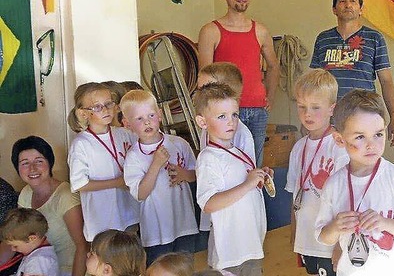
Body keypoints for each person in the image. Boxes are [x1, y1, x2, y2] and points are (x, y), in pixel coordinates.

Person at [315, 90, 394, 275]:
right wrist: (336, 227)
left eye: (378, 134)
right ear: (339, 139)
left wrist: (384, 223)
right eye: (360, 137)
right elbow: (323, 236)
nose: (372, 144)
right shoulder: (334, 184)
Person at [197, 0, 280, 167]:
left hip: (258, 109)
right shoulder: (210, 31)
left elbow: (274, 65)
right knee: (226, 164)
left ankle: (254, 197)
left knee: (254, 165)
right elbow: (205, 76)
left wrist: (271, 95)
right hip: (226, 111)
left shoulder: (260, 30)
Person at [193, 83, 272, 275]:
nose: (231, 122)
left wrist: (260, 177)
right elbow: (209, 203)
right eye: (222, 116)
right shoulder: (208, 157)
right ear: (202, 122)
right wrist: (247, 184)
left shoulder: (236, 152)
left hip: (251, 244)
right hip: (231, 251)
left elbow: (244, 186)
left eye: (234, 115)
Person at [310, 0, 394, 146]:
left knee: (362, 168)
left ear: (360, 9)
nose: (347, 4)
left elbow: (386, 81)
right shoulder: (323, 39)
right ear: (334, 9)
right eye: (342, 0)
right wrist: (311, 118)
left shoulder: (374, 38)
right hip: (329, 120)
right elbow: (314, 83)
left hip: (364, 117)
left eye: (353, 0)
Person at [121, 90, 198, 265]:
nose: (147, 121)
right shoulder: (133, 156)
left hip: (184, 224)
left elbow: (196, 176)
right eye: (139, 119)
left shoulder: (179, 143)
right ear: (127, 124)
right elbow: (140, 194)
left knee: (185, 269)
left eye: (151, 115)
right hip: (156, 232)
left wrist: (184, 174)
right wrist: (155, 165)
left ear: (160, 115)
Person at [285, 69, 349, 276]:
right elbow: (295, 196)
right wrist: (295, 235)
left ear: (332, 108)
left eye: (315, 107)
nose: (307, 114)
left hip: (331, 242)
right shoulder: (299, 147)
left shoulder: (339, 146)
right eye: (302, 107)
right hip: (307, 240)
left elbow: (348, 200)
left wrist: (341, 245)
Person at [67, 82, 140, 242]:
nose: (106, 110)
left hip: (129, 214)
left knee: (130, 261)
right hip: (103, 221)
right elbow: (79, 184)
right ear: (84, 113)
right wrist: (117, 182)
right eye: (97, 107)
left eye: (108, 104)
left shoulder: (124, 134)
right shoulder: (81, 144)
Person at [12, 136, 88, 276]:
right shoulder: (25, 193)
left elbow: (82, 246)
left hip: (67, 270)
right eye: (25, 163)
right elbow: (16, 237)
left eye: (39, 161)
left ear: (50, 163)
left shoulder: (66, 195)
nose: (32, 168)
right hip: (36, 268)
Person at [0, 208, 60, 276]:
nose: (13, 249)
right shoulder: (37, 255)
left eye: (15, 246)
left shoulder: (38, 260)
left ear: (32, 238)